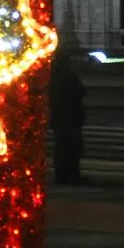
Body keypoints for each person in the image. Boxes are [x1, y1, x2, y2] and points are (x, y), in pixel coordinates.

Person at [48, 54, 87, 185]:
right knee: (73, 149)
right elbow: (81, 91)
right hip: (71, 118)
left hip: (60, 118)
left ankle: (62, 176)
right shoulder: (69, 77)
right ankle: (72, 176)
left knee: (61, 148)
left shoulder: (53, 78)